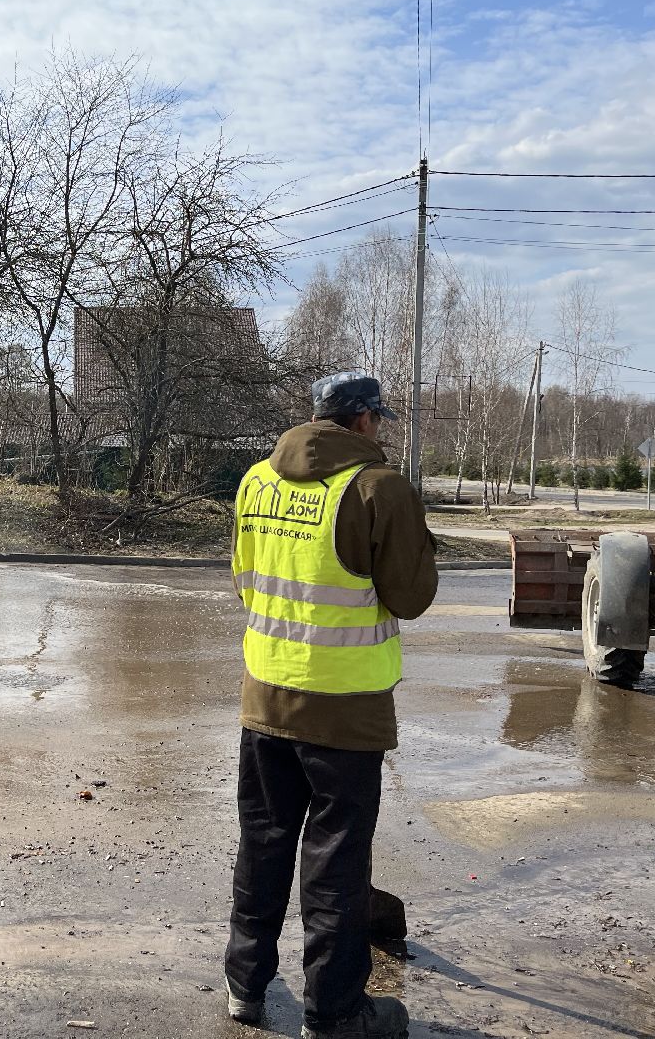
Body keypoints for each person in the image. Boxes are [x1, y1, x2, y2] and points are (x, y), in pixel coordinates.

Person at [225, 371, 438, 1039]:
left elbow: (244, 579)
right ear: (366, 421)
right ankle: (336, 1013)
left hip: (265, 697)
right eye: (380, 420)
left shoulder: (257, 479)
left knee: (263, 842)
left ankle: (245, 989)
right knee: (335, 861)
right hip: (344, 710)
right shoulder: (380, 489)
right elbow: (411, 596)